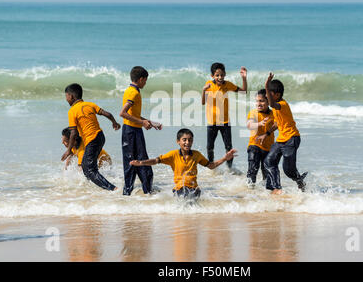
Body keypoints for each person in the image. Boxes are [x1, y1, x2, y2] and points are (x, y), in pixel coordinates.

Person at [130, 128, 237, 199]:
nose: (187, 143)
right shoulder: (173, 155)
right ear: (178, 141)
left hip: (194, 189)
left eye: (190, 140)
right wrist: (141, 162)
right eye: (184, 140)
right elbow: (156, 161)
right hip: (179, 189)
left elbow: (211, 166)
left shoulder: (196, 155)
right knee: (185, 199)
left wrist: (225, 158)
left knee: (194, 199)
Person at [61, 83, 120, 191]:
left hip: (92, 139)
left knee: (89, 169)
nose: (66, 99)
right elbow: (107, 114)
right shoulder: (90, 104)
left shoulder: (72, 111)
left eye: (66, 96)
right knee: (86, 167)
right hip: (100, 136)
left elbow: (73, 133)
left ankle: (113, 189)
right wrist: (114, 123)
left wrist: (68, 150)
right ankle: (95, 187)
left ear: (71, 96)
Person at [119, 66, 162, 196]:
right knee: (139, 163)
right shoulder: (134, 93)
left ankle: (130, 194)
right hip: (132, 132)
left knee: (133, 163)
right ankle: (146, 193)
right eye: (145, 81)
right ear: (141, 79)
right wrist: (142, 123)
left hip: (132, 130)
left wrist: (148, 122)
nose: (145, 83)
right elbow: (123, 113)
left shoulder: (129, 90)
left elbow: (133, 114)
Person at [263, 73, 307, 195]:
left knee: (288, 170)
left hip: (291, 139)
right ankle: (275, 188)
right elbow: (277, 124)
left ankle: (299, 180)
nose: (267, 96)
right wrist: (266, 134)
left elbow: (272, 104)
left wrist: (266, 85)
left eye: (269, 94)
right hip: (281, 140)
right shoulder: (276, 109)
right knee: (269, 161)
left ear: (277, 95)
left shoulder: (282, 105)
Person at [202, 62, 247, 169]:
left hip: (225, 122)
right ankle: (211, 167)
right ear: (212, 76)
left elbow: (243, 91)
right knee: (210, 147)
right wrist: (203, 90)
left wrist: (244, 78)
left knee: (228, 147)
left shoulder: (227, 85)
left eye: (222, 75)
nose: (220, 77)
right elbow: (203, 102)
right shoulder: (209, 84)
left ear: (225, 74)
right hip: (212, 122)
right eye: (217, 75)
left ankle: (230, 168)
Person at [246, 89, 277, 188]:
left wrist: (268, 132)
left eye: (262, 101)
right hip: (254, 145)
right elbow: (249, 125)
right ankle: (250, 190)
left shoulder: (273, 113)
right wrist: (259, 123)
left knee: (267, 174)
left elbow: (277, 124)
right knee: (252, 170)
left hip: (268, 148)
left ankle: (264, 195)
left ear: (268, 102)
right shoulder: (253, 113)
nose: (258, 103)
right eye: (257, 101)